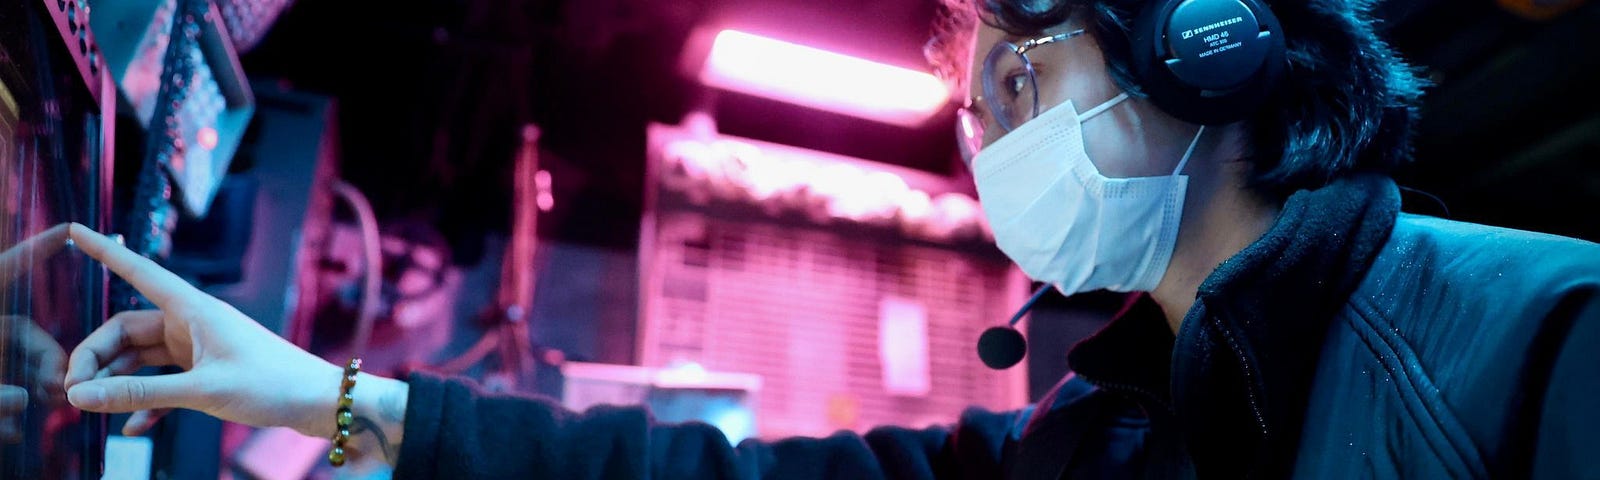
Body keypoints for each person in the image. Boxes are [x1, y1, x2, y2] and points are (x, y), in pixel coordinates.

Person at [59, 0, 1600, 477]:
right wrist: (318, 395)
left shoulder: (1546, 345)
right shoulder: (1117, 429)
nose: (991, 133)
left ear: (1209, 48)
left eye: (1017, 71)